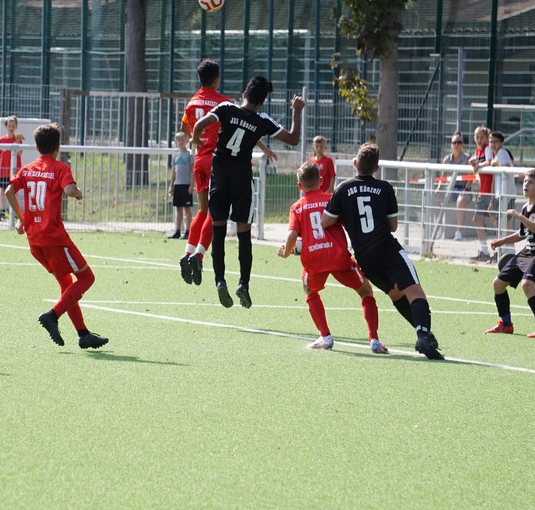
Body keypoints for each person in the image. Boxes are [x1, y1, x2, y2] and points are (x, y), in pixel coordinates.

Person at [321, 142, 444, 360]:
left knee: (395, 294)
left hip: (364, 257)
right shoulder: (385, 188)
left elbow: (326, 222)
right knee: (414, 291)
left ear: (355, 163)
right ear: (376, 168)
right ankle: (423, 334)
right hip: (387, 249)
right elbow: (393, 226)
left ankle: (424, 332)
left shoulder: (343, 188)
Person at [190, 75, 303, 309]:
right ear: (262, 102)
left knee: (218, 229)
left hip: (220, 178)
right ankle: (243, 284)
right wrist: (297, 111)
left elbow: (200, 125)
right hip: (242, 180)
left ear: (244, 95)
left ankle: (220, 280)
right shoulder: (262, 120)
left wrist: (196, 140)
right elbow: (293, 139)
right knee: (244, 234)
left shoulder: (226, 108)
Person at [4, 123, 108, 350]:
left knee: (66, 284)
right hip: (55, 239)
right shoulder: (61, 168)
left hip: (35, 241)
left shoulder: (28, 169)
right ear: (58, 147)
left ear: (37, 147)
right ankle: (52, 315)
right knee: (87, 278)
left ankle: (83, 334)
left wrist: (22, 218)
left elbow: (9, 191)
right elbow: (70, 190)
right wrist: (78, 193)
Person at [178, 59, 276, 287]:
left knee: (202, 211)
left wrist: (197, 139)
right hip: (217, 161)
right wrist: (263, 147)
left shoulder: (192, 102)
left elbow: (186, 130)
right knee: (215, 215)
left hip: (198, 159)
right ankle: (198, 255)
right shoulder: (223, 102)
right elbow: (241, 127)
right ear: (217, 79)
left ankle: (187, 252)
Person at [278, 161, 387, 354]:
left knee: (308, 289)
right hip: (338, 257)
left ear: (299, 186)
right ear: (321, 181)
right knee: (365, 291)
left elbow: (292, 235)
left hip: (314, 259)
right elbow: (349, 224)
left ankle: (325, 337)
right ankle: (374, 340)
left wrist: (286, 252)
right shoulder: (332, 199)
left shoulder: (297, 207)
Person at [485, 169, 535, 339]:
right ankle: (506, 324)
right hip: (527, 253)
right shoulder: (525, 207)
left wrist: (518, 216)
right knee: (498, 284)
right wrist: (501, 241)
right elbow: (523, 233)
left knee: (527, 284)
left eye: (530, 182)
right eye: (525, 181)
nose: (525, 184)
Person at [468, 125, 495, 262]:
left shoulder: (487, 149)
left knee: (493, 220)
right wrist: (474, 164)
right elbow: (477, 166)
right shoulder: (477, 151)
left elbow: (489, 162)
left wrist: (479, 165)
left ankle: (497, 251)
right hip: (482, 190)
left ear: (486, 138)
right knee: (478, 219)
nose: (479, 140)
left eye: (482, 137)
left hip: (489, 190)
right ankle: (485, 251)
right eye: (477, 137)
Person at [441, 130, 471, 241]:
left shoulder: (467, 158)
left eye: (459, 142)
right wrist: (439, 189)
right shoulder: (446, 160)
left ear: (462, 145)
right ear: (451, 145)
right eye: (454, 143)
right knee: (435, 196)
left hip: (464, 188)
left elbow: (471, 178)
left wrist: (465, 190)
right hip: (451, 188)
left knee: (461, 200)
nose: (456, 145)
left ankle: (458, 232)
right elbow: (442, 178)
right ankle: (439, 226)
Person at [0, 115, 24, 222]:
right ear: (6, 127)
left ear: (16, 127)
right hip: (4, 170)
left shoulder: (18, 139)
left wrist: (17, 143)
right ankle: (2, 212)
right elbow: (1, 154)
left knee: (14, 191)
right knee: (3, 191)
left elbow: (20, 154)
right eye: (9, 126)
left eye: (13, 126)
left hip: (14, 169)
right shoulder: (2, 140)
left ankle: (16, 213)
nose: (11, 128)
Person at [167, 131, 194, 239]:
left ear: (187, 141)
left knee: (187, 209)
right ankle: (177, 231)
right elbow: (173, 172)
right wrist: (171, 186)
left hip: (186, 184)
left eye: (183, 140)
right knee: (178, 209)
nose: (181, 142)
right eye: (179, 140)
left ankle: (188, 231)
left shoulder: (189, 154)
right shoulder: (176, 155)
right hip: (177, 184)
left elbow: (193, 170)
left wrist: (192, 185)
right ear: (176, 142)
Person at [489, 130, 517, 213]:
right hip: (500, 194)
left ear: (502, 143)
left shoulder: (502, 152)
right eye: (491, 142)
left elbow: (506, 168)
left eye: (495, 141)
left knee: (504, 219)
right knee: (497, 219)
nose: (493, 144)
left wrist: (496, 163)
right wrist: (492, 200)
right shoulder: (496, 156)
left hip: (507, 194)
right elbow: (494, 181)